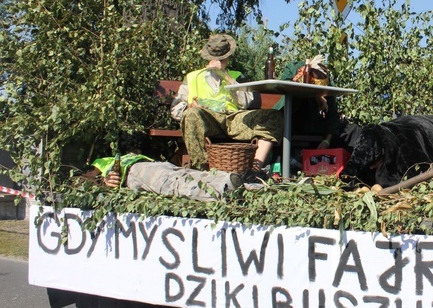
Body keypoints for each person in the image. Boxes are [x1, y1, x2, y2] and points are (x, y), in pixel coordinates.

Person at [171, 34, 283, 180]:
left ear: (227, 59)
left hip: (233, 119)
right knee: (191, 114)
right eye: (215, 58)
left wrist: (226, 76)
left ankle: (255, 168)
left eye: (222, 59)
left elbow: (247, 102)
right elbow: (175, 110)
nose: (218, 62)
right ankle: (203, 170)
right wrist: (189, 106)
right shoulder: (193, 76)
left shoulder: (236, 76)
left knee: (273, 116)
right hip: (208, 119)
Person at [89, 133, 244, 201]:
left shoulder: (120, 160)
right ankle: (236, 186)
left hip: (141, 171)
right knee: (183, 178)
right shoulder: (99, 164)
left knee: (180, 181)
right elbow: (81, 181)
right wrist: (103, 181)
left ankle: (226, 186)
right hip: (145, 169)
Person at [279, 54, 360, 153]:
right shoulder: (293, 69)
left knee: (353, 130)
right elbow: (283, 89)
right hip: (292, 120)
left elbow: (332, 115)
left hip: (314, 123)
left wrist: (327, 140)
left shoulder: (325, 80)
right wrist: (310, 92)